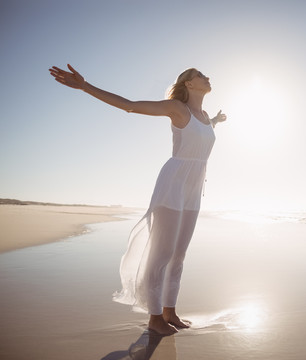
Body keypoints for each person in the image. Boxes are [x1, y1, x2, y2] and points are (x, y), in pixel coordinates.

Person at [49, 64, 226, 335]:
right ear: (189, 84)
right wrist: (85, 86)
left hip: (194, 188)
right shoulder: (177, 109)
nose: (207, 77)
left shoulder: (203, 116)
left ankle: (170, 312)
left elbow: (204, 130)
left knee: (179, 255)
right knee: (162, 254)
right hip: (173, 184)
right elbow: (130, 106)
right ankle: (155, 317)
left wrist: (216, 120)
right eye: (200, 75)